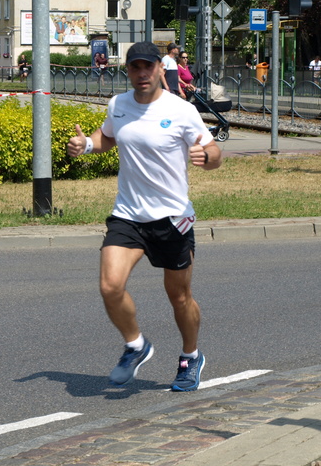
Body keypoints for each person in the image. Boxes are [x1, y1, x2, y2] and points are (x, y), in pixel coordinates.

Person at [66, 41, 222, 392]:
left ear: (158, 69)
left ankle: (190, 356)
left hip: (172, 219)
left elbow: (213, 151)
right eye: (134, 67)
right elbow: (107, 137)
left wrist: (206, 158)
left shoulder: (180, 110)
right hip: (128, 214)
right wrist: (86, 145)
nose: (141, 74)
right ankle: (136, 345)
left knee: (179, 297)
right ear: (128, 71)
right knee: (110, 286)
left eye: (147, 67)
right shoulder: (118, 105)